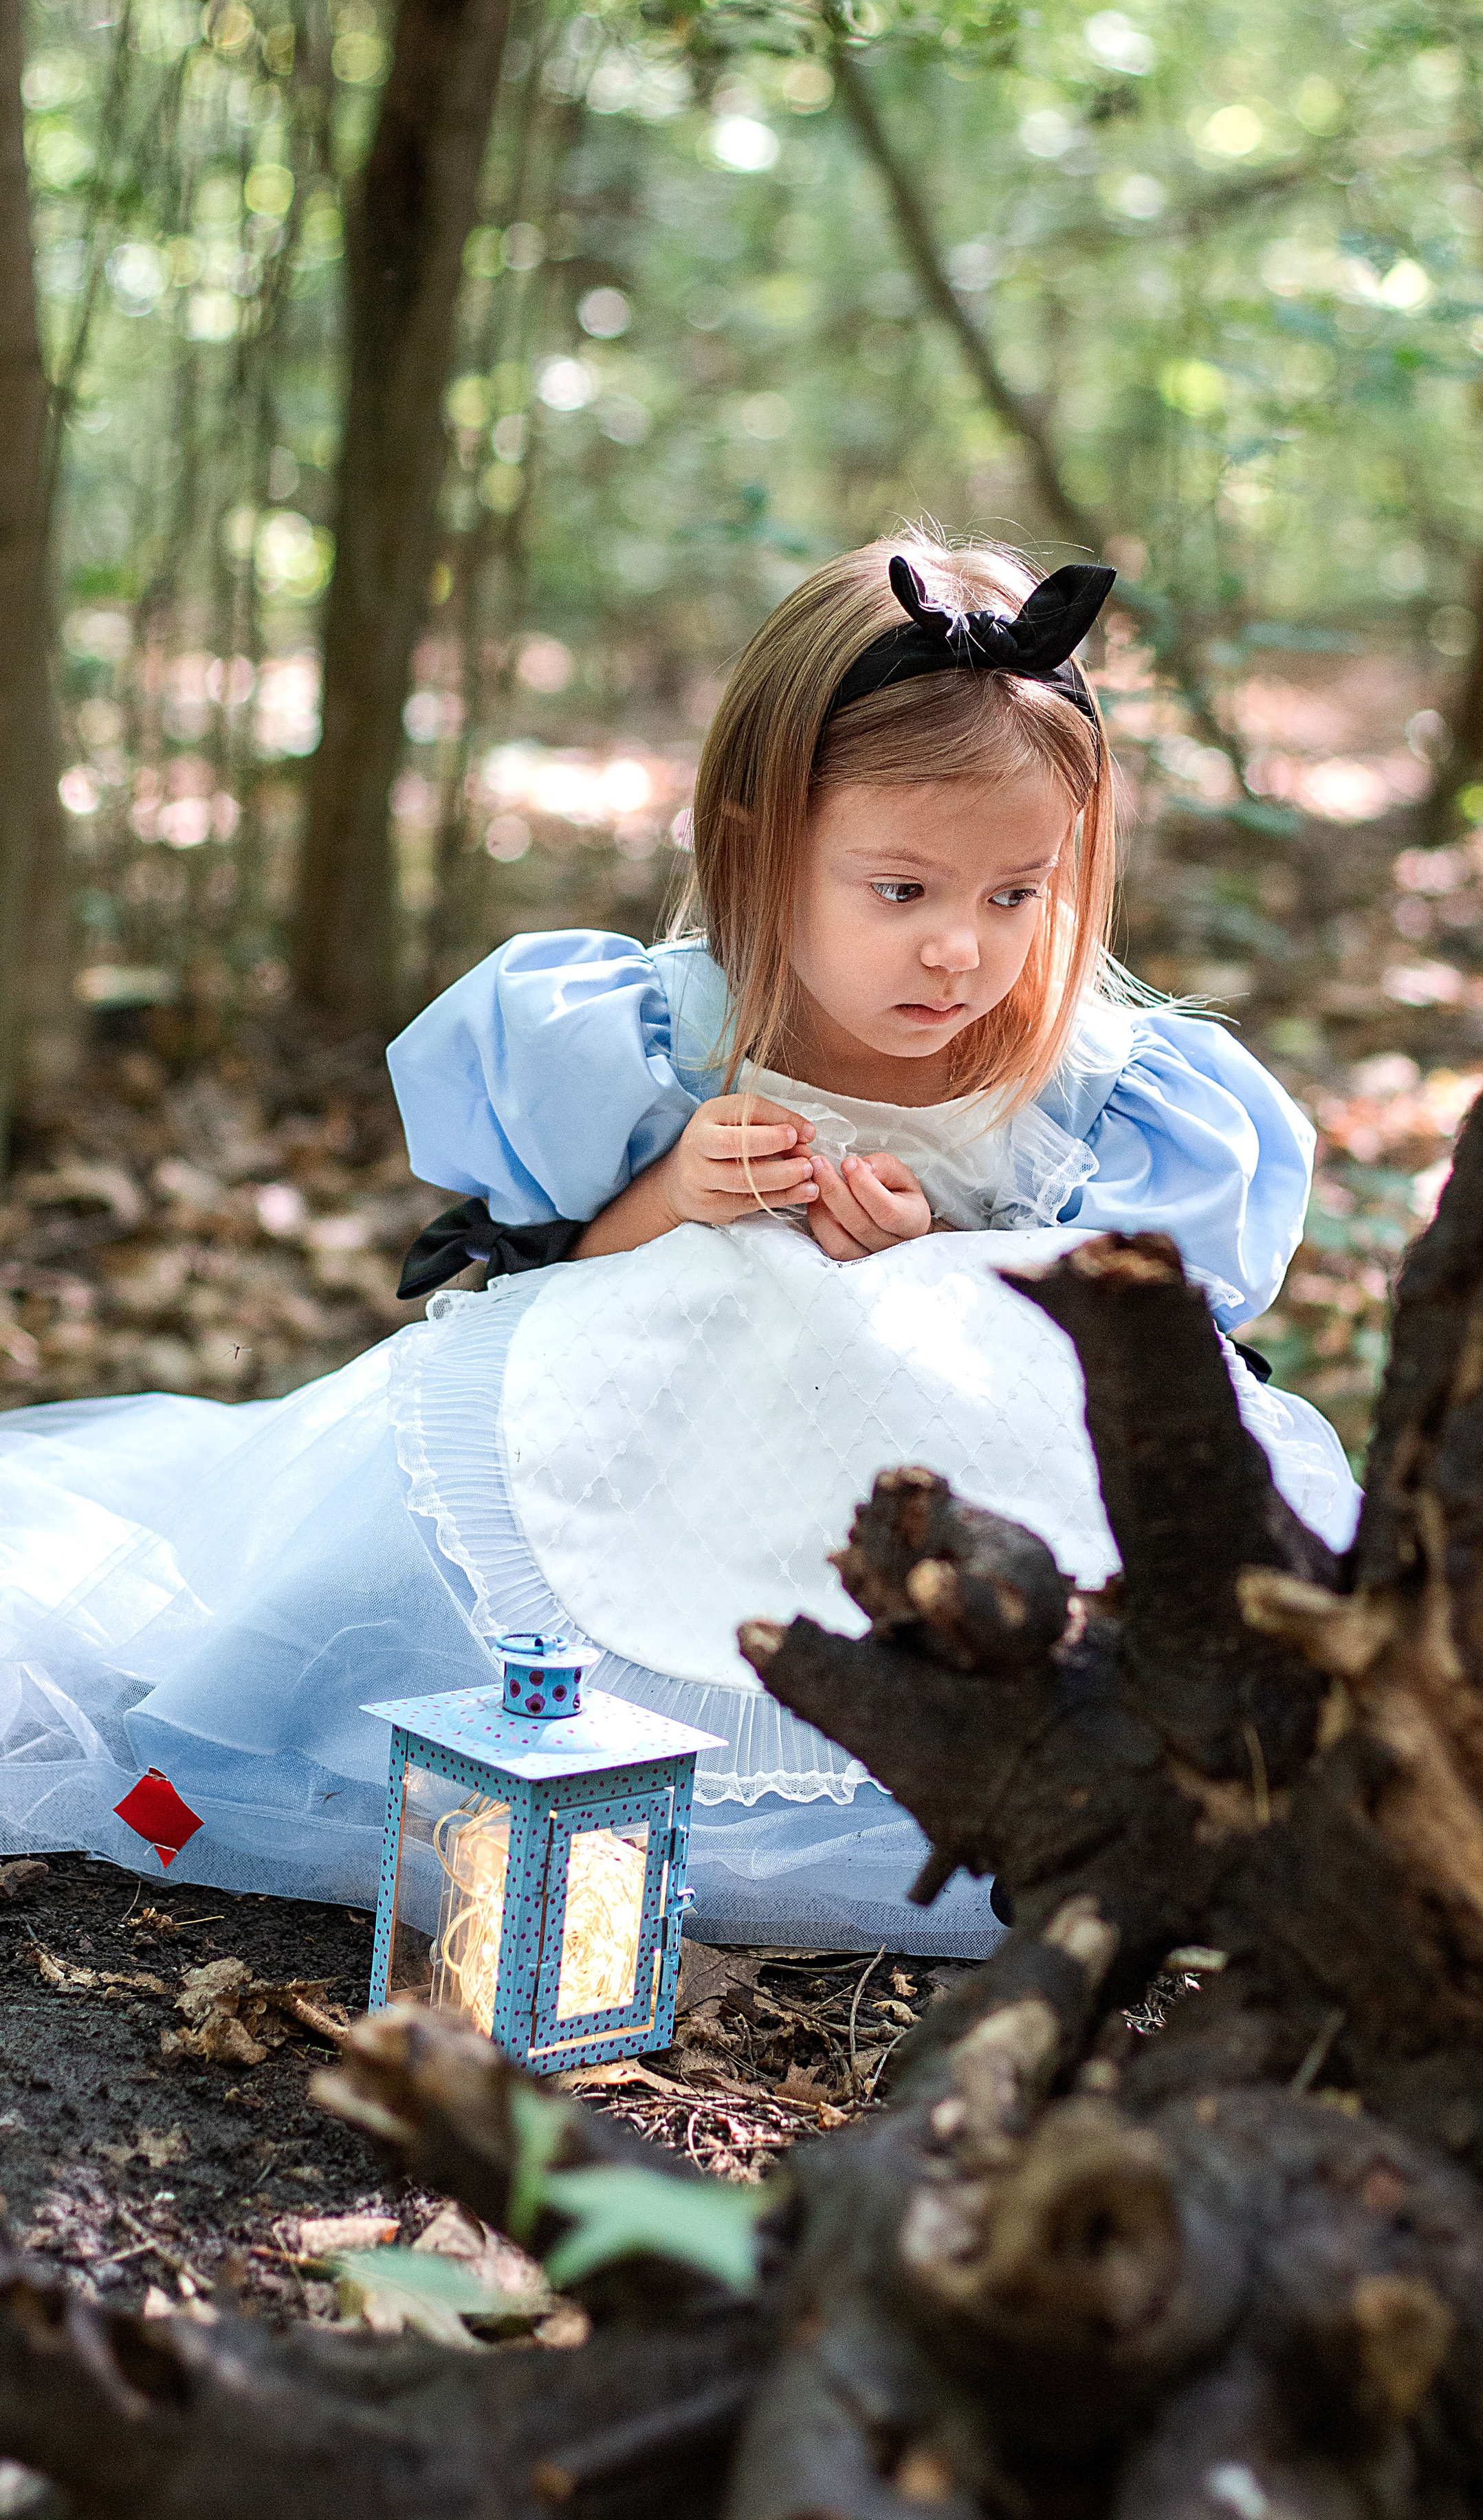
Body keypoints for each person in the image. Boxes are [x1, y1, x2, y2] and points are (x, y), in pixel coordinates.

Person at [0, 538, 1356, 1958]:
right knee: (684, 1308)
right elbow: (561, 1291)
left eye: (1012, 896)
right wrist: (676, 1195)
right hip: (660, 1452)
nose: (959, 951)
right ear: (758, 840)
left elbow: (1111, 1375)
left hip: (922, 1531)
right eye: (901, 892)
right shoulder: (661, 1032)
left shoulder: (1097, 1096)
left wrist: (939, 1261)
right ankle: (333, 1719)